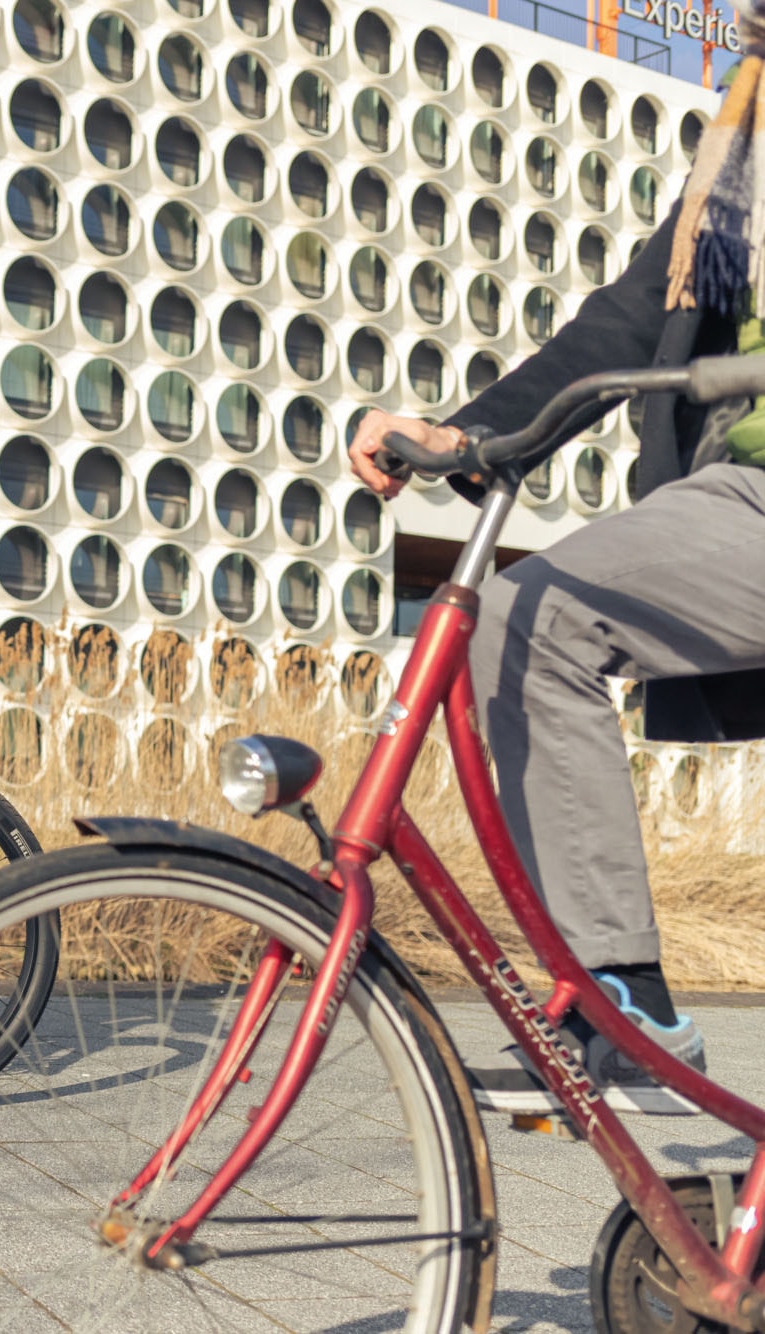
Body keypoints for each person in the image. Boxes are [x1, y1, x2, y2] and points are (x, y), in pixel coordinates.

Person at [344, 56, 765, 1112]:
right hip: (744, 493)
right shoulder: (741, 151)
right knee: (525, 618)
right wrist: (464, 431)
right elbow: (627, 321)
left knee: (537, 614)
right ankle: (616, 998)